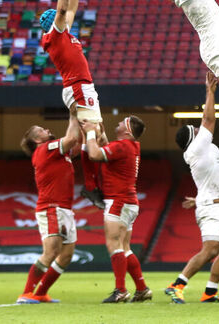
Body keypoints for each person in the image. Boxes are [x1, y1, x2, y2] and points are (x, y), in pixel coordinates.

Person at [165, 72, 219, 304]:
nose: (200, 129)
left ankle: (210, 292)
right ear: (192, 137)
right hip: (212, 208)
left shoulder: (206, 149)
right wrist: (210, 92)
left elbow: (217, 174)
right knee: (211, 249)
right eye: (195, 130)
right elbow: (208, 120)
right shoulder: (196, 148)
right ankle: (177, 285)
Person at [39, 0, 104, 208]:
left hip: (80, 87)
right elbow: (63, 9)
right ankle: (92, 186)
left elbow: (71, 9)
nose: (67, 18)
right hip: (78, 87)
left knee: (93, 134)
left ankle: (91, 183)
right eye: (61, 18)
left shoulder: (64, 34)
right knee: (93, 133)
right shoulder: (55, 35)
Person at [84, 114, 150, 303]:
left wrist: (90, 133)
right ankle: (142, 289)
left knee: (114, 245)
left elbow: (94, 154)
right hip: (129, 201)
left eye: (122, 122)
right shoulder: (130, 146)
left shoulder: (122, 146)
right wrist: (101, 134)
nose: (118, 123)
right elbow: (108, 149)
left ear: (127, 130)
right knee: (125, 248)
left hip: (118, 201)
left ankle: (121, 290)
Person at [16, 111, 80, 304]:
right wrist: (73, 115)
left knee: (66, 255)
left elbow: (77, 145)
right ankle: (26, 293)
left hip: (64, 208)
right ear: (37, 140)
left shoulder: (57, 153)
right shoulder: (45, 149)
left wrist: (89, 127)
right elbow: (71, 138)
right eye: (42, 130)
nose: (47, 129)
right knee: (51, 252)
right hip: (52, 207)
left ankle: (40, 293)